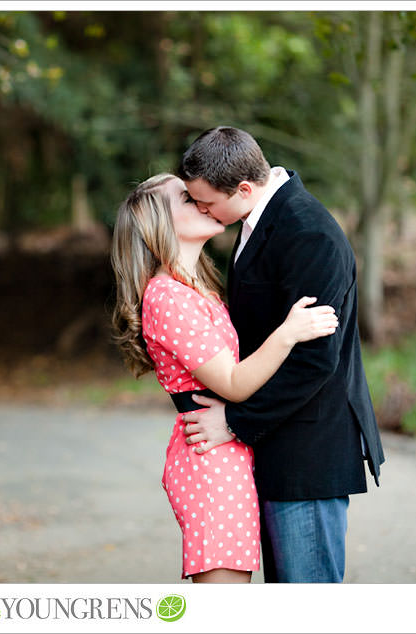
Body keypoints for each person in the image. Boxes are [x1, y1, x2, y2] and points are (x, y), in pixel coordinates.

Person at [176, 126, 385, 583]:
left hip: (307, 453)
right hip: (278, 445)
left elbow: (315, 359)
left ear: (245, 188)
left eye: (206, 201)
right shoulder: (257, 220)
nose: (200, 209)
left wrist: (235, 421)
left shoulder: (308, 233)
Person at [111, 173, 339, 583]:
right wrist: (289, 332)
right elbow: (232, 382)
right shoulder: (166, 296)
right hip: (210, 464)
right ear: (158, 224)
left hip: (229, 457)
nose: (202, 202)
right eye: (187, 199)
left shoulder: (198, 288)